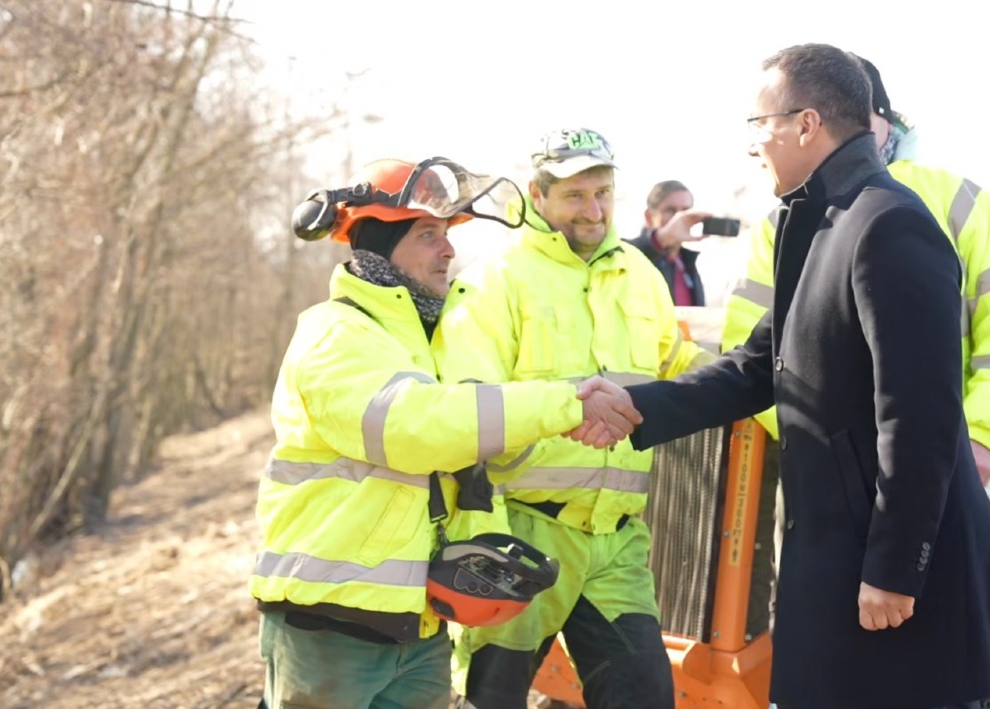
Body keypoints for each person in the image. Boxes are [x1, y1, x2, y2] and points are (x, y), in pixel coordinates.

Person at [586, 44, 990, 708]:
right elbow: (759, 366)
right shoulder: (807, 225)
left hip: (894, 582)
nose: (753, 144)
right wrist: (638, 405)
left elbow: (919, 417)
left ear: (807, 124)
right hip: (835, 560)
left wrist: (897, 570)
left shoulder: (890, 224)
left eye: (760, 124)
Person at [250, 156, 642, 709]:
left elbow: (460, 463)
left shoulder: (427, 340)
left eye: (448, 235)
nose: (449, 251)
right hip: (329, 627)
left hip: (419, 628)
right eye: (428, 235)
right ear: (379, 249)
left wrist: (490, 552)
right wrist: (564, 402)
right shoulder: (336, 334)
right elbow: (416, 428)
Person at [433, 128, 716, 709]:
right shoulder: (495, 280)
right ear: (538, 197)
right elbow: (466, 405)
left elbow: (679, 364)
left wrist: (774, 390)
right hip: (518, 540)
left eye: (603, 193)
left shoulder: (641, 274)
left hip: (617, 544)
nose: (593, 211)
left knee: (646, 697)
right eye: (575, 196)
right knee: (492, 701)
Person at [723, 55, 990, 488]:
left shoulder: (960, 202)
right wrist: (826, 443)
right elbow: (751, 347)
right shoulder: (781, 223)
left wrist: (982, 438)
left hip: (947, 470)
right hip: (824, 477)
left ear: (881, 119)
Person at [625, 180, 712, 306]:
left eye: (685, 211)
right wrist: (662, 239)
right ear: (649, 217)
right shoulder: (630, 255)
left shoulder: (686, 263)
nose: (679, 218)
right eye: (671, 210)